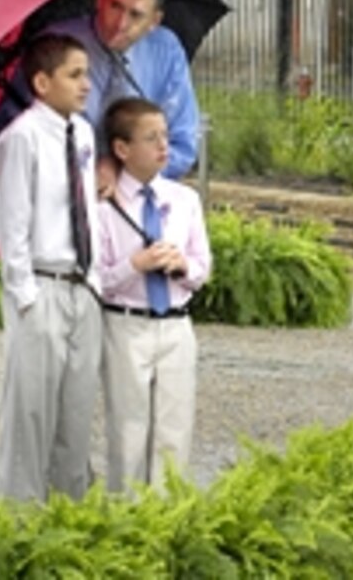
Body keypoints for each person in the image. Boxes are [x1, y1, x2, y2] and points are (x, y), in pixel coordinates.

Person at [0, 33, 103, 502]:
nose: (85, 85)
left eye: (87, 74)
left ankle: (69, 521)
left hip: (82, 287)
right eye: (74, 75)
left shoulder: (84, 133)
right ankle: (19, 517)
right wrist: (25, 295)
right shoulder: (21, 138)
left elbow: (86, 211)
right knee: (31, 415)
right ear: (41, 81)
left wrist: (95, 282)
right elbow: (12, 221)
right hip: (42, 284)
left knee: (75, 416)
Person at [95, 97, 211, 492]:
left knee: (174, 431)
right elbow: (98, 278)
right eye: (151, 138)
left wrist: (183, 266)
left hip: (176, 325)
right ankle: (126, 517)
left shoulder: (183, 201)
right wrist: (136, 264)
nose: (164, 145)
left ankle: (167, 518)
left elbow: (202, 267)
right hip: (126, 325)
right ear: (122, 149)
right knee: (128, 430)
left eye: (165, 135)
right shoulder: (105, 205)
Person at [41, 0, 200, 187]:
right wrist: (85, 172)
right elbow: (17, 125)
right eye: (115, 6)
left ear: (154, 21)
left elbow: (183, 144)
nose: (120, 23)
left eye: (135, 15)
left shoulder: (166, 51)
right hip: (66, 189)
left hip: (137, 195)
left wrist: (124, 171)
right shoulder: (57, 44)